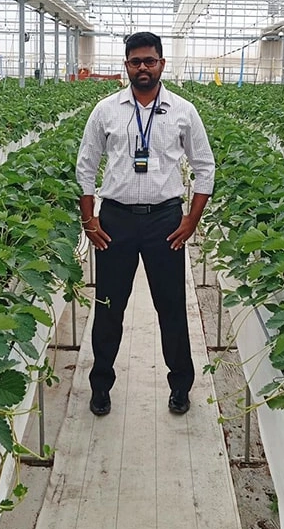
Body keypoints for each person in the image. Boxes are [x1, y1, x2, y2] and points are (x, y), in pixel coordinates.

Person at [75, 31, 216, 417]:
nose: (143, 67)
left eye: (149, 61)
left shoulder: (183, 111)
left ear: (161, 64)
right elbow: (86, 167)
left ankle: (181, 386)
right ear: (126, 65)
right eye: (135, 61)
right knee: (108, 307)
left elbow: (205, 167)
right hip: (115, 221)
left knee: (171, 308)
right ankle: (100, 386)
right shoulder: (106, 110)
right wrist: (89, 220)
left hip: (165, 222)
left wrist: (191, 220)